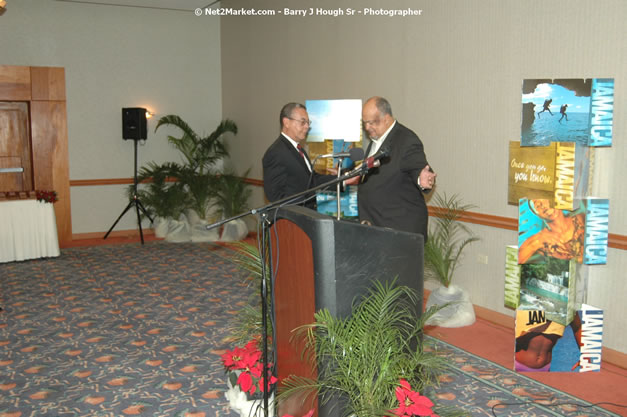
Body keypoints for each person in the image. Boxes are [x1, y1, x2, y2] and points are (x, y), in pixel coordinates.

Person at [357, 97, 436, 240]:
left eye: (371, 122)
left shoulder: (406, 140)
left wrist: (421, 179)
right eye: (364, 123)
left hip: (399, 231)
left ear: (386, 118)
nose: (367, 128)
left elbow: (418, 167)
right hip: (376, 227)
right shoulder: (376, 141)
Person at [262, 102, 337, 210]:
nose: (307, 126)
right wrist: (301, 209)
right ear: (286, 122)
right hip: (291, 222)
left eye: (308, 122)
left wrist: (341, 178)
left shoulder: (298, 149)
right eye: (303, 122)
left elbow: (313, 180)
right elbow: (275, 196)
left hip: (307, 217)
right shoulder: (276, 152)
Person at [518, 199, 585, 264]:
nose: (543, 206)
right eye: (537, 206)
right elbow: (515, 260)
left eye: (545, 199)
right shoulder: (540, 241)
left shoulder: (581, 219)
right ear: (537, 215)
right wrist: (537, 242)